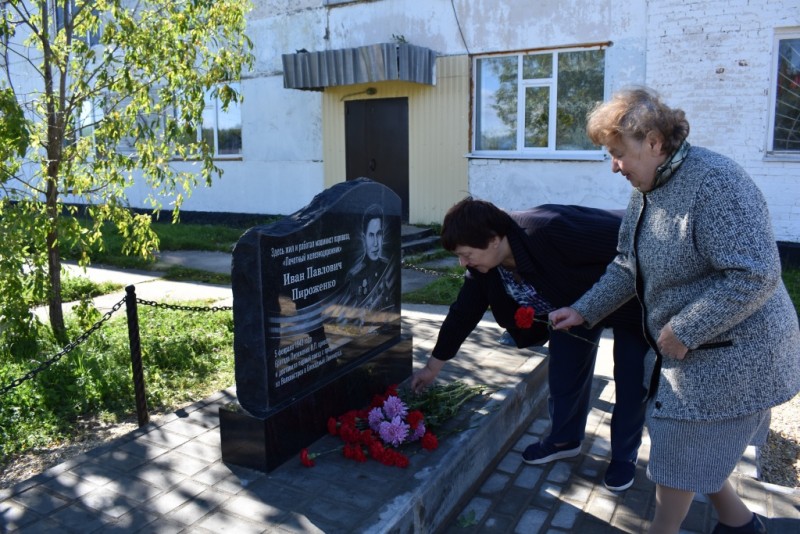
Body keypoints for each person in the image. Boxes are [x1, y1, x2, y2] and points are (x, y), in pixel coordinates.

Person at [548, 87, 800, 533]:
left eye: (617, 153)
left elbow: (755, 274)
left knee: (675, 460)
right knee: (694, 451)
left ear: (653, 141)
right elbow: (627, 266)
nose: (614, 166)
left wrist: (684, 329)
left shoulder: (716, 183)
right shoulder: (648, 187)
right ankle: (741, 526)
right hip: (700, 351)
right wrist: (583, 311)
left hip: (738, 354)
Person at [410, 197, 651, 491]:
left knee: (631, 380)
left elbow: (635, 239)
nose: (463, 263)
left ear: (495, 239)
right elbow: (463, 314)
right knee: (564, 373)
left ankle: (624, 457)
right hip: (569, 309)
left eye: (467, 254)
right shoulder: (486, 268)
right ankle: (564, 439)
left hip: (631, 303)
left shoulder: (549, 229)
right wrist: (432, 368)